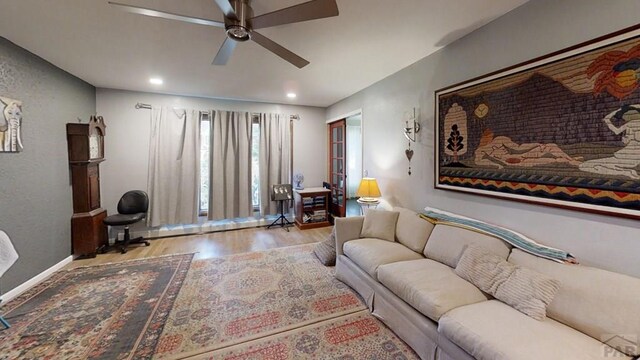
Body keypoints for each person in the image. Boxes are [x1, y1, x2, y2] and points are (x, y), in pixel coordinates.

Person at [579, 105, 640, 179]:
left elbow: (614, 128)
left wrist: (617, 111)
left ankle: (625, 172)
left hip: (628, 157)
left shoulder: (631, 124)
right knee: (590, 165)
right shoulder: (631, 124)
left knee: (585, 166)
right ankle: (626, 172)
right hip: (630, 158)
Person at [474, 129, 582, 169]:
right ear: (482, 137)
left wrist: (536, 145)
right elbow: (479, 162)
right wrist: (498, 164)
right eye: (487, 137)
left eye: (490, 136)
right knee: (548, 160)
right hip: (512, 162)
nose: (490, 139)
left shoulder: (500, 139)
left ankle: (570, 158)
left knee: (550, 146)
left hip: (519, 156)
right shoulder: (480, 151)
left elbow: (518, 148)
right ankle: (570, 162)